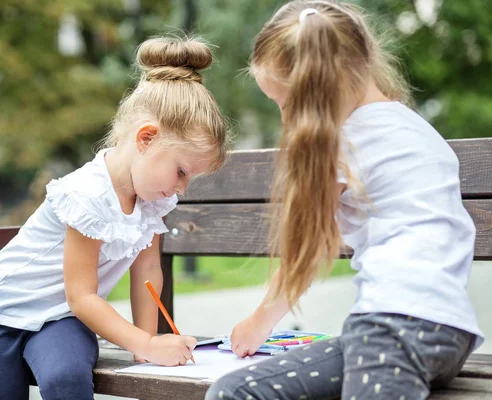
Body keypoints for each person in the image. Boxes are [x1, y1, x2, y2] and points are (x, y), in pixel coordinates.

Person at [205, 1, 483, 399]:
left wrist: (258, 322)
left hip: (391, 328)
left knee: (234, 394)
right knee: (234, 390)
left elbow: (308, 246)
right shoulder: (414, 127)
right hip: (447, 334)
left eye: (287, 105)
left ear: (317, 93)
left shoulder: (343, 141)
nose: (286, 121)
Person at [0, 36, 231, 400]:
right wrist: (149, 345)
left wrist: (144, 342)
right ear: (146, 138)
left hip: (61, 320)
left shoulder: (152, 200)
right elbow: (83, 296)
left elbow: (148, 272)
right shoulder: (87, 195)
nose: (182, 188)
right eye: (181, 171)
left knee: (66, 378)